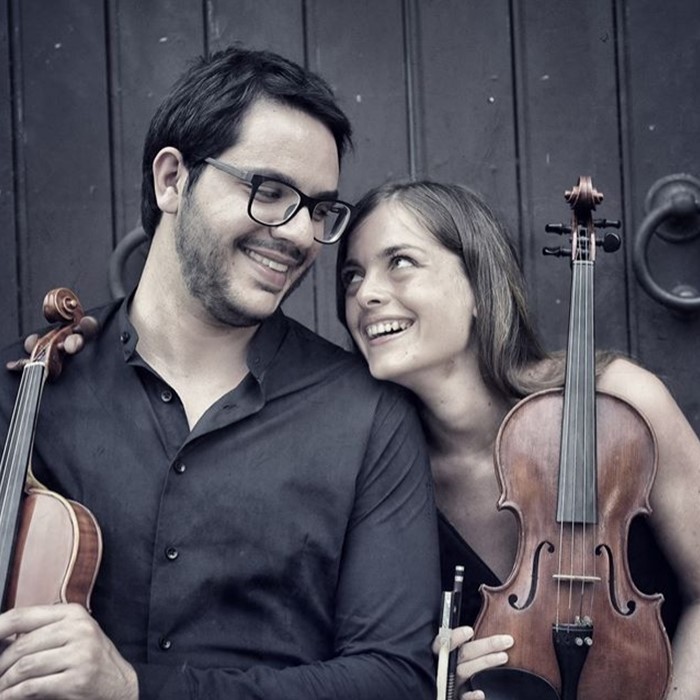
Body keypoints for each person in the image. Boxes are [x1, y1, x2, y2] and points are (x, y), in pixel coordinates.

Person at [0, 48, 441, 699]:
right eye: (269, 192)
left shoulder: (367, 417)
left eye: (317, 209)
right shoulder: (30, 390)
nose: (300, 234)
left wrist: (137, 689)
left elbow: (395, 678)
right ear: (172, 180)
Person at [336, 180, 700, 699]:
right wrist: (445, 685)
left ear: (479, 287)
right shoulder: (377, 470)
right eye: (352, 275)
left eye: (400, 262)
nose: (364, 294)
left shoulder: (620, 404)